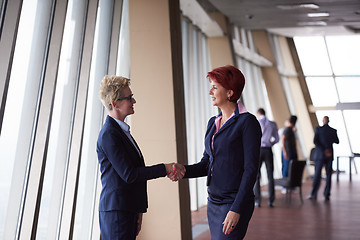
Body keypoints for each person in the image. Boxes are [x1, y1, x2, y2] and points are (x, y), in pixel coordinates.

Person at [171, 65, 261, 239]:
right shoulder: (213, 122)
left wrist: (236, 208)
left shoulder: (248, 123)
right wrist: (184, 170)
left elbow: (251, 170)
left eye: (215, 87)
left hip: (233, 202)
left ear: (230, 92)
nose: (210, 92)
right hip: (213, 201)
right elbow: (207, 163)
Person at [96, 75, 184, 239]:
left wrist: (139, 210)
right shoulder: (110, 134)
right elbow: (130, 174)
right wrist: (165, 168)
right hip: (117, 213)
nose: (134, 101)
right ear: (115, 104)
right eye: (129, 98)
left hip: (126, 209)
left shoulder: (120, 131)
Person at [308, 116, 339, 201]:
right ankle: (326, 194)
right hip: (329, 155)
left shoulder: (318, 129)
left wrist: (323, 150)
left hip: (320, 155)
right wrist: (327, 148)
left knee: (317, 175)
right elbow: (337, 141)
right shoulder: (333, 130)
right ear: (328, 121)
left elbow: (315, 141)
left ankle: (314, 194)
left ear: (323, 121)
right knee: (328, 175)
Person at [253, 108, 279, 208]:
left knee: (256, 176)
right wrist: (270, 144)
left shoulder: (256, 122)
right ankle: (271, 201)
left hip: (258, 150)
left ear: (258, 113)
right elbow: (276, 139)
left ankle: (257, 201)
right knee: (270, 176)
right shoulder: (272, 124)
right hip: (268, 150)